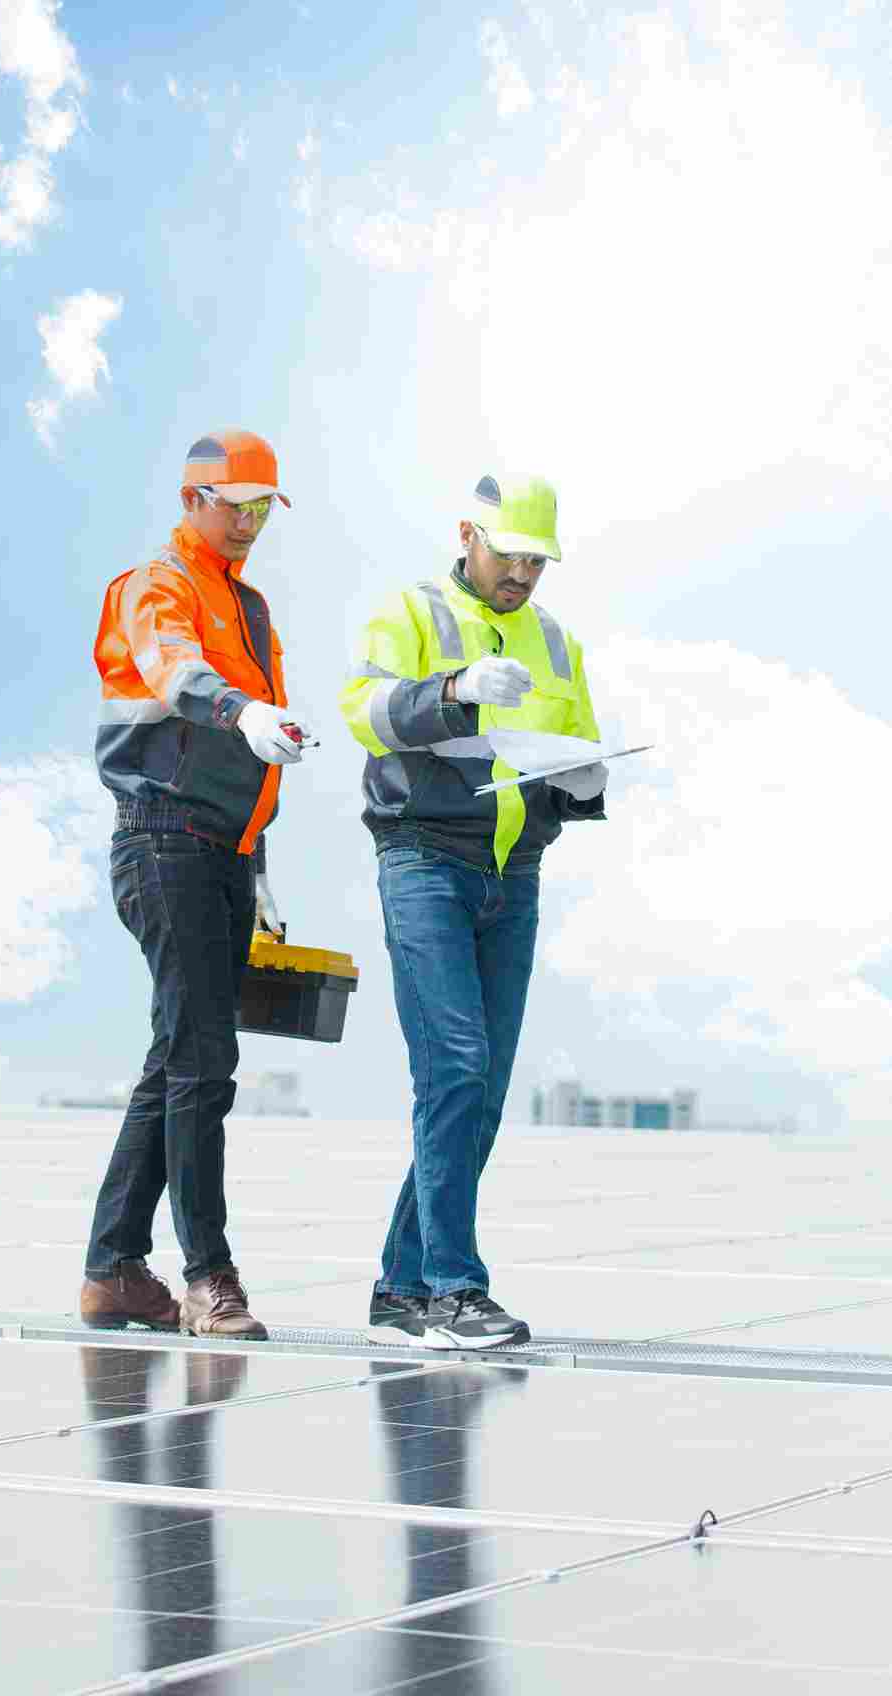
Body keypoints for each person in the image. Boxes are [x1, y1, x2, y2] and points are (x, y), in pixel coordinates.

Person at [340, 472, 606, 1350]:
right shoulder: (411, 611)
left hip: (511, 874)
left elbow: (570, 748)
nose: (523, 575)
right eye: (510, 554)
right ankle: (454, 1290)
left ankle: (400, 1290)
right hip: (424, 860)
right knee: (452, 1069)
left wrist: (584, 783)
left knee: (479, 1090)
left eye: (538, 561)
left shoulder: (558, 645)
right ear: (467, 534)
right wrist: (451, 689)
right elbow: (364, 713)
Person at [81, 429, 310, 1341]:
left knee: (176, 1060)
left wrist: (258, 869)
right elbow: (176, 670)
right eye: (234, 504)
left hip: (222, 849)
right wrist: (241, 708)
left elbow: (252, 755)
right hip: (162, 836)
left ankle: (113, 1271)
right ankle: (208, 1277)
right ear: (190, 501)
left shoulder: (249, 605)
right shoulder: (155, 584)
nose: (249, 521)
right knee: (203, 1064)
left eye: (262, 507)